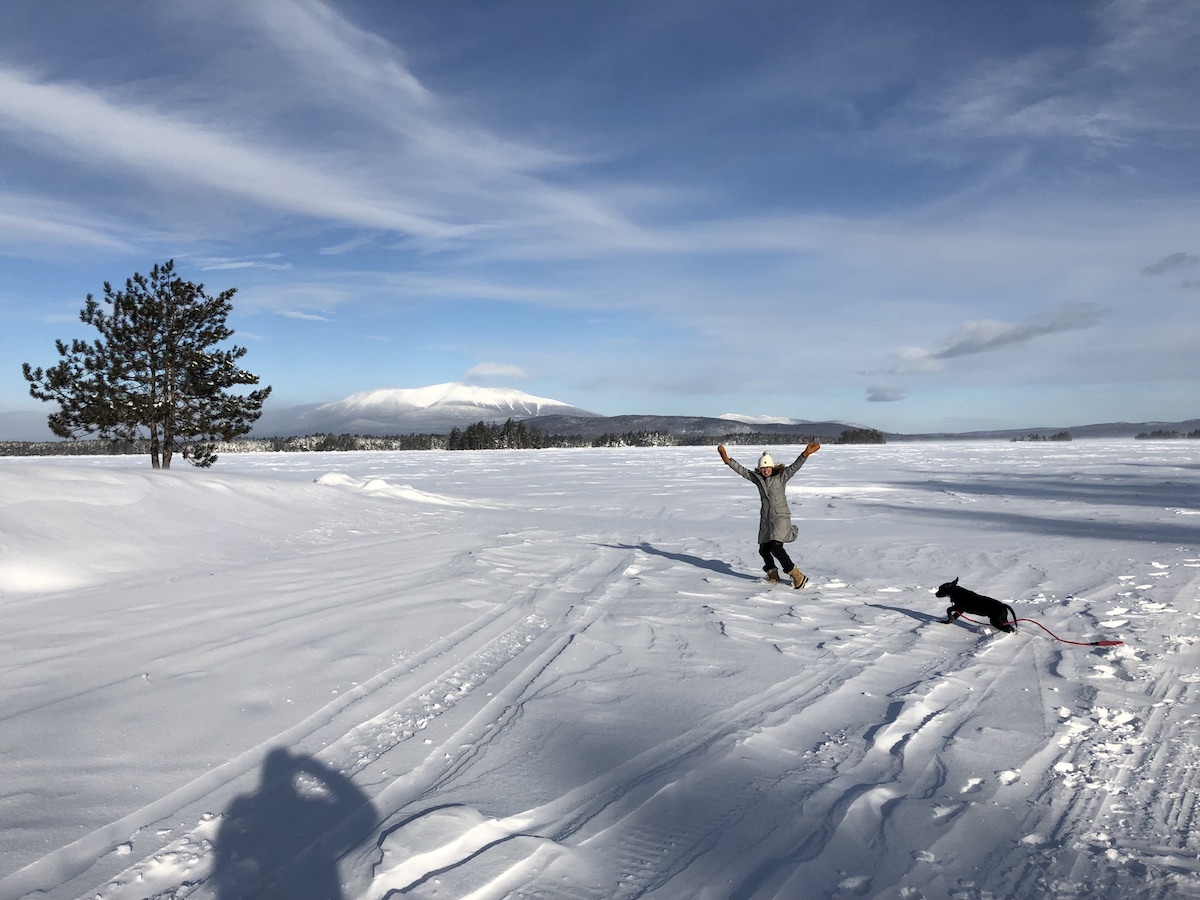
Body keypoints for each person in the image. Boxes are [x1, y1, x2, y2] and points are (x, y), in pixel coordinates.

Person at [717, 442, 821, 588]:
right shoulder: (758, 480)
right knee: (763, 548)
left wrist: (805, 454)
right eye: (763, 468)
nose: (766, 470)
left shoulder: (781, 477)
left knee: (776, 547)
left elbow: (794, 467)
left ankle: (797, 576)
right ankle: (773, 575)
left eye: (768, 467)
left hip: (780, 518)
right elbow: (742, 471)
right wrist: (728, 461)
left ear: (772, 467)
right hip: (766, 519)